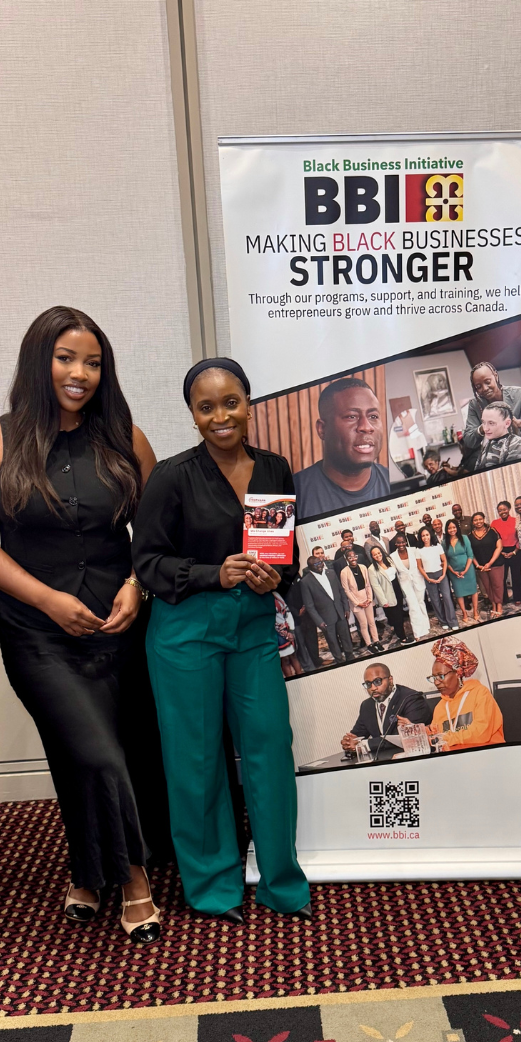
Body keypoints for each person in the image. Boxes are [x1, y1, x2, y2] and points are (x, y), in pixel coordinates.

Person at [0, 306, 161, 945]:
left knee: (100, 751)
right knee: (92, 750)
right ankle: (132, 879)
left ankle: (85, 871)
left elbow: (154, 531)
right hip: (37, 630)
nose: (80, 373)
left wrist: (137, 585)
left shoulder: (125, 436)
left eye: (93, 362)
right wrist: (46, 600)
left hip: (117, 622)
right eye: (65, 358)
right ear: (37, 361)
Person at [131, 357, 310, 922]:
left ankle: (282, 881)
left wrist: (273, 575)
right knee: (197, 761)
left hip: (254, 629)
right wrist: (216, 573)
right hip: (185, 637)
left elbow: (289, 558)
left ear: (248, 404)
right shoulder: (171, 477)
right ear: (192, 414)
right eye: (205, 407)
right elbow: (148, 565)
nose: (220, 415)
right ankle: (212, 888)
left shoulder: (275, 470)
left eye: (230, 402)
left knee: (270, 752)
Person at [294, 377, 389, 518]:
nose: (366, 427)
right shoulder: (290, 492)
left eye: (373, 416)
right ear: (322, 429)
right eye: (352, 417)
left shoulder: (392, 482)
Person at [341, 662, 434, 754]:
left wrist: (364, 745)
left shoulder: (411, 699)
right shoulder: (367, 706)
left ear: (390, 680)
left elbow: (406, 736)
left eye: (377, 681)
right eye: (368, 684)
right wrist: (349, 743)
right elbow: (357, 735)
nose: (373, 688)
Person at [461, 361, 521, 468]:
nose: (484, 388)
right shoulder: (475, 405)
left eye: (487, 382)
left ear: (496, 376)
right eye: (478, 386)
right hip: (497, 456)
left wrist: (519, 424)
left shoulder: (518, 394)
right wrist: (483, 427)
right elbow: (469, 440)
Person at [424, 650, 505, 750]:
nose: (436, 682)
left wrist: (448, 738)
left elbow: (481, 733)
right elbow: (435, 736)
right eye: (433, 678)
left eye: (441, 676)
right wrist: (420, 732)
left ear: (457, 674)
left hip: (489, 753)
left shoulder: (480, 693)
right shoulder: (440, 707)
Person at [299, 550, 354, 664]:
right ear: (309, 567)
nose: (320, 565)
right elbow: (309, 606)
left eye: (320, 563)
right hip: (325, 618)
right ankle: (339, 660)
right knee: (332, 641)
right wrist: (319, 621)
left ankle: (350, 656)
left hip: (340, 612)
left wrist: (346, 608)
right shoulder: (305, 582)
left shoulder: (331, 573)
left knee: (346, 637)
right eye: (316, 564)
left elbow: (341, 591)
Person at [340, 549, 381, 654]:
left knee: (372, 622)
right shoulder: (344, 572)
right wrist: (358, 603)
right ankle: (369, 644)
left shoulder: (363, 567)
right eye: (350, 557)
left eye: (354, 556)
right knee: (364, 624)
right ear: (346, 559)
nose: (353, 559)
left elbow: (368, 585)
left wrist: (369, 599)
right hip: (356, 603)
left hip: (367, 600)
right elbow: (347, 591)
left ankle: (376, 641)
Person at [416, 525, 456, 631]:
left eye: (427, 535)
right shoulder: (419, 550)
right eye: (423, 536)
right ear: (420, 537)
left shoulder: (437, 546)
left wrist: (443, 574)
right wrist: (428, 578)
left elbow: (444, 561)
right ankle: (443, 621)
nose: (425, 537)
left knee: (447, 597)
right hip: (429, 576)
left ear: (430, 535)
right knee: (435, 600)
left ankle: (452, 621)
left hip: (441, 574)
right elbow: (420, 566)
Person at [391, 533, 430, 640]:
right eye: (399, 542)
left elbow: (421, 564)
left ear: (406, 542)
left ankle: (425, 627)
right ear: (395, 544)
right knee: (413, 607)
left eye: (403, 542)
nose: (401, 544)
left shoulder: (414, 550)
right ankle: (417, 632)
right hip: (405, 584)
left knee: (421, 603)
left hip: (418, 580)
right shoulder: (392, 556)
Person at [368, 544, 410, 644]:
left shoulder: (389, 560)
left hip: (397, 589)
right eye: (375, 555)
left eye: (379, 553)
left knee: (400, 613)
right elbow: (376, 587)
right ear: (372, 557)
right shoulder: (372, 569)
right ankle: (402, 637)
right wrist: (383, 601)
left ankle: (398, 631)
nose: (377, 555)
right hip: (387, 594)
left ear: (381, 552)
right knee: (397, 616)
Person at [475, 402, 521, 470]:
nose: (485, 428)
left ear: (507, 423)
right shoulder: (486, 447)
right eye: (483, 422)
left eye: (491, 423)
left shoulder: (519, 446)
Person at [443, 518, 480, 625]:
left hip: (468, 570)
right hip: (454, 572)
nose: (452, 530)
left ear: (457, 528)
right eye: (449, 528)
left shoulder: (464, 538)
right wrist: (453, 572)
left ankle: (475, 611)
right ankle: (464, 613)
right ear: (447, 529)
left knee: (473, 591)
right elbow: (445, 560)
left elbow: (470, 555)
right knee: (459, 593)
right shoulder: (444, 543)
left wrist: (466, 570)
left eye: (454, 527)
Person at [468, 512, 504, 618]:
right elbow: (471, 553)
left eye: (480, 519)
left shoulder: (492, 531)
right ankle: (493, 605)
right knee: (488, 587)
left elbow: (499, 547)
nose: (478, 522)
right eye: (475, 520)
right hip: (481, 567)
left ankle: (499, 606)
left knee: (497, 586)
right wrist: (477, 565)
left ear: (484, 519)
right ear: (472, 522)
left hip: (495, 563)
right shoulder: (470, 536)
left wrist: (490, 563)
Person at [490, 501, 521, 611]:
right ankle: (503, 598)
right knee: (501, 577)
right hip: (500, 551)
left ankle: (518, 597)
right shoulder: (494, 523)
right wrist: (500, 552)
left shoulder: (516, 521)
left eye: (504, 509)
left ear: (509, 509)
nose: (502, 512)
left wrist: (514, 551)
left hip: (515, 551)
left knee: (516, 575)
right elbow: (492, 540)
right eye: (500, 510)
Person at [274, 591, 304, 677]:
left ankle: (301, 676)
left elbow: (287, 612)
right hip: (276, 633)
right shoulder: (262, 598)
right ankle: (292, 680)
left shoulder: (276, 594)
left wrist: (290, 630)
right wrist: (283, 632)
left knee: (293, 656)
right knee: (285, 659)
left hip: (287, 628)